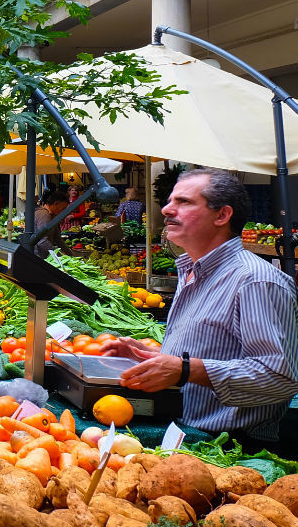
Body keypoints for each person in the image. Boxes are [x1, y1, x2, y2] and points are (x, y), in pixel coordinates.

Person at [103, 170, 298, 451]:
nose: (168, 209)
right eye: (170, 201)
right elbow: (220, 352)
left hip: (230, 449)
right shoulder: (192, 271)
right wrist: (156, 357)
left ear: (222, 216)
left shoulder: (256, 281)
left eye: (184, 202)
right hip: (183, 433)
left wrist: (185, 369)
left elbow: (279, 377)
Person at [33, 187, 71, 257]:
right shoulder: (44, 215)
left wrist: (70, 255)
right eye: (63, 208)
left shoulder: (51, 216)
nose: (64, 211)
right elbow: (42, 242)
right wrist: (60, 255)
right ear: (56, 204)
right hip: (38, 256)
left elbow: (57, 239)